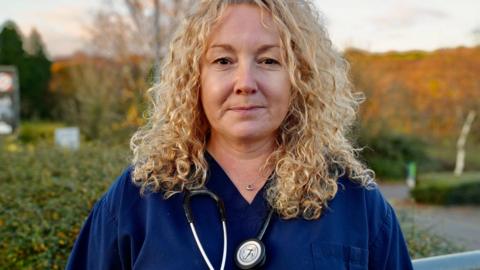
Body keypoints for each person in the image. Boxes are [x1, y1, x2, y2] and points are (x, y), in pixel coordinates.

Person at [67, 0, 414, 269]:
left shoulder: (356, 203)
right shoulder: (137, 200)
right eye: (222, 61)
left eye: (269, 61)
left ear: (301, 79)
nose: (245, 83)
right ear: (194, 80)